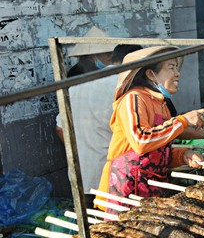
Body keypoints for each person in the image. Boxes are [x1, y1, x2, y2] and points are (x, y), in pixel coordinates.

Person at [97, 46, 204, 199]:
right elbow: (141, 142)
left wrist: (184, 155)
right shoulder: (134, 98)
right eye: (171, 67)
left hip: (151, 189)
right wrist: (182, 120)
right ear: (151, 74)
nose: (178, 74)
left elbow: (157, 153)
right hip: (123, 190)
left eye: (177, 67)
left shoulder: (161, 104)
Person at [56, 44, 142, 202]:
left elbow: (60, 128)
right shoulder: (126, 87)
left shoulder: (77, 86)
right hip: (116, 176)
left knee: (90, 223)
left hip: (81, 174)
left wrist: (80, 151)